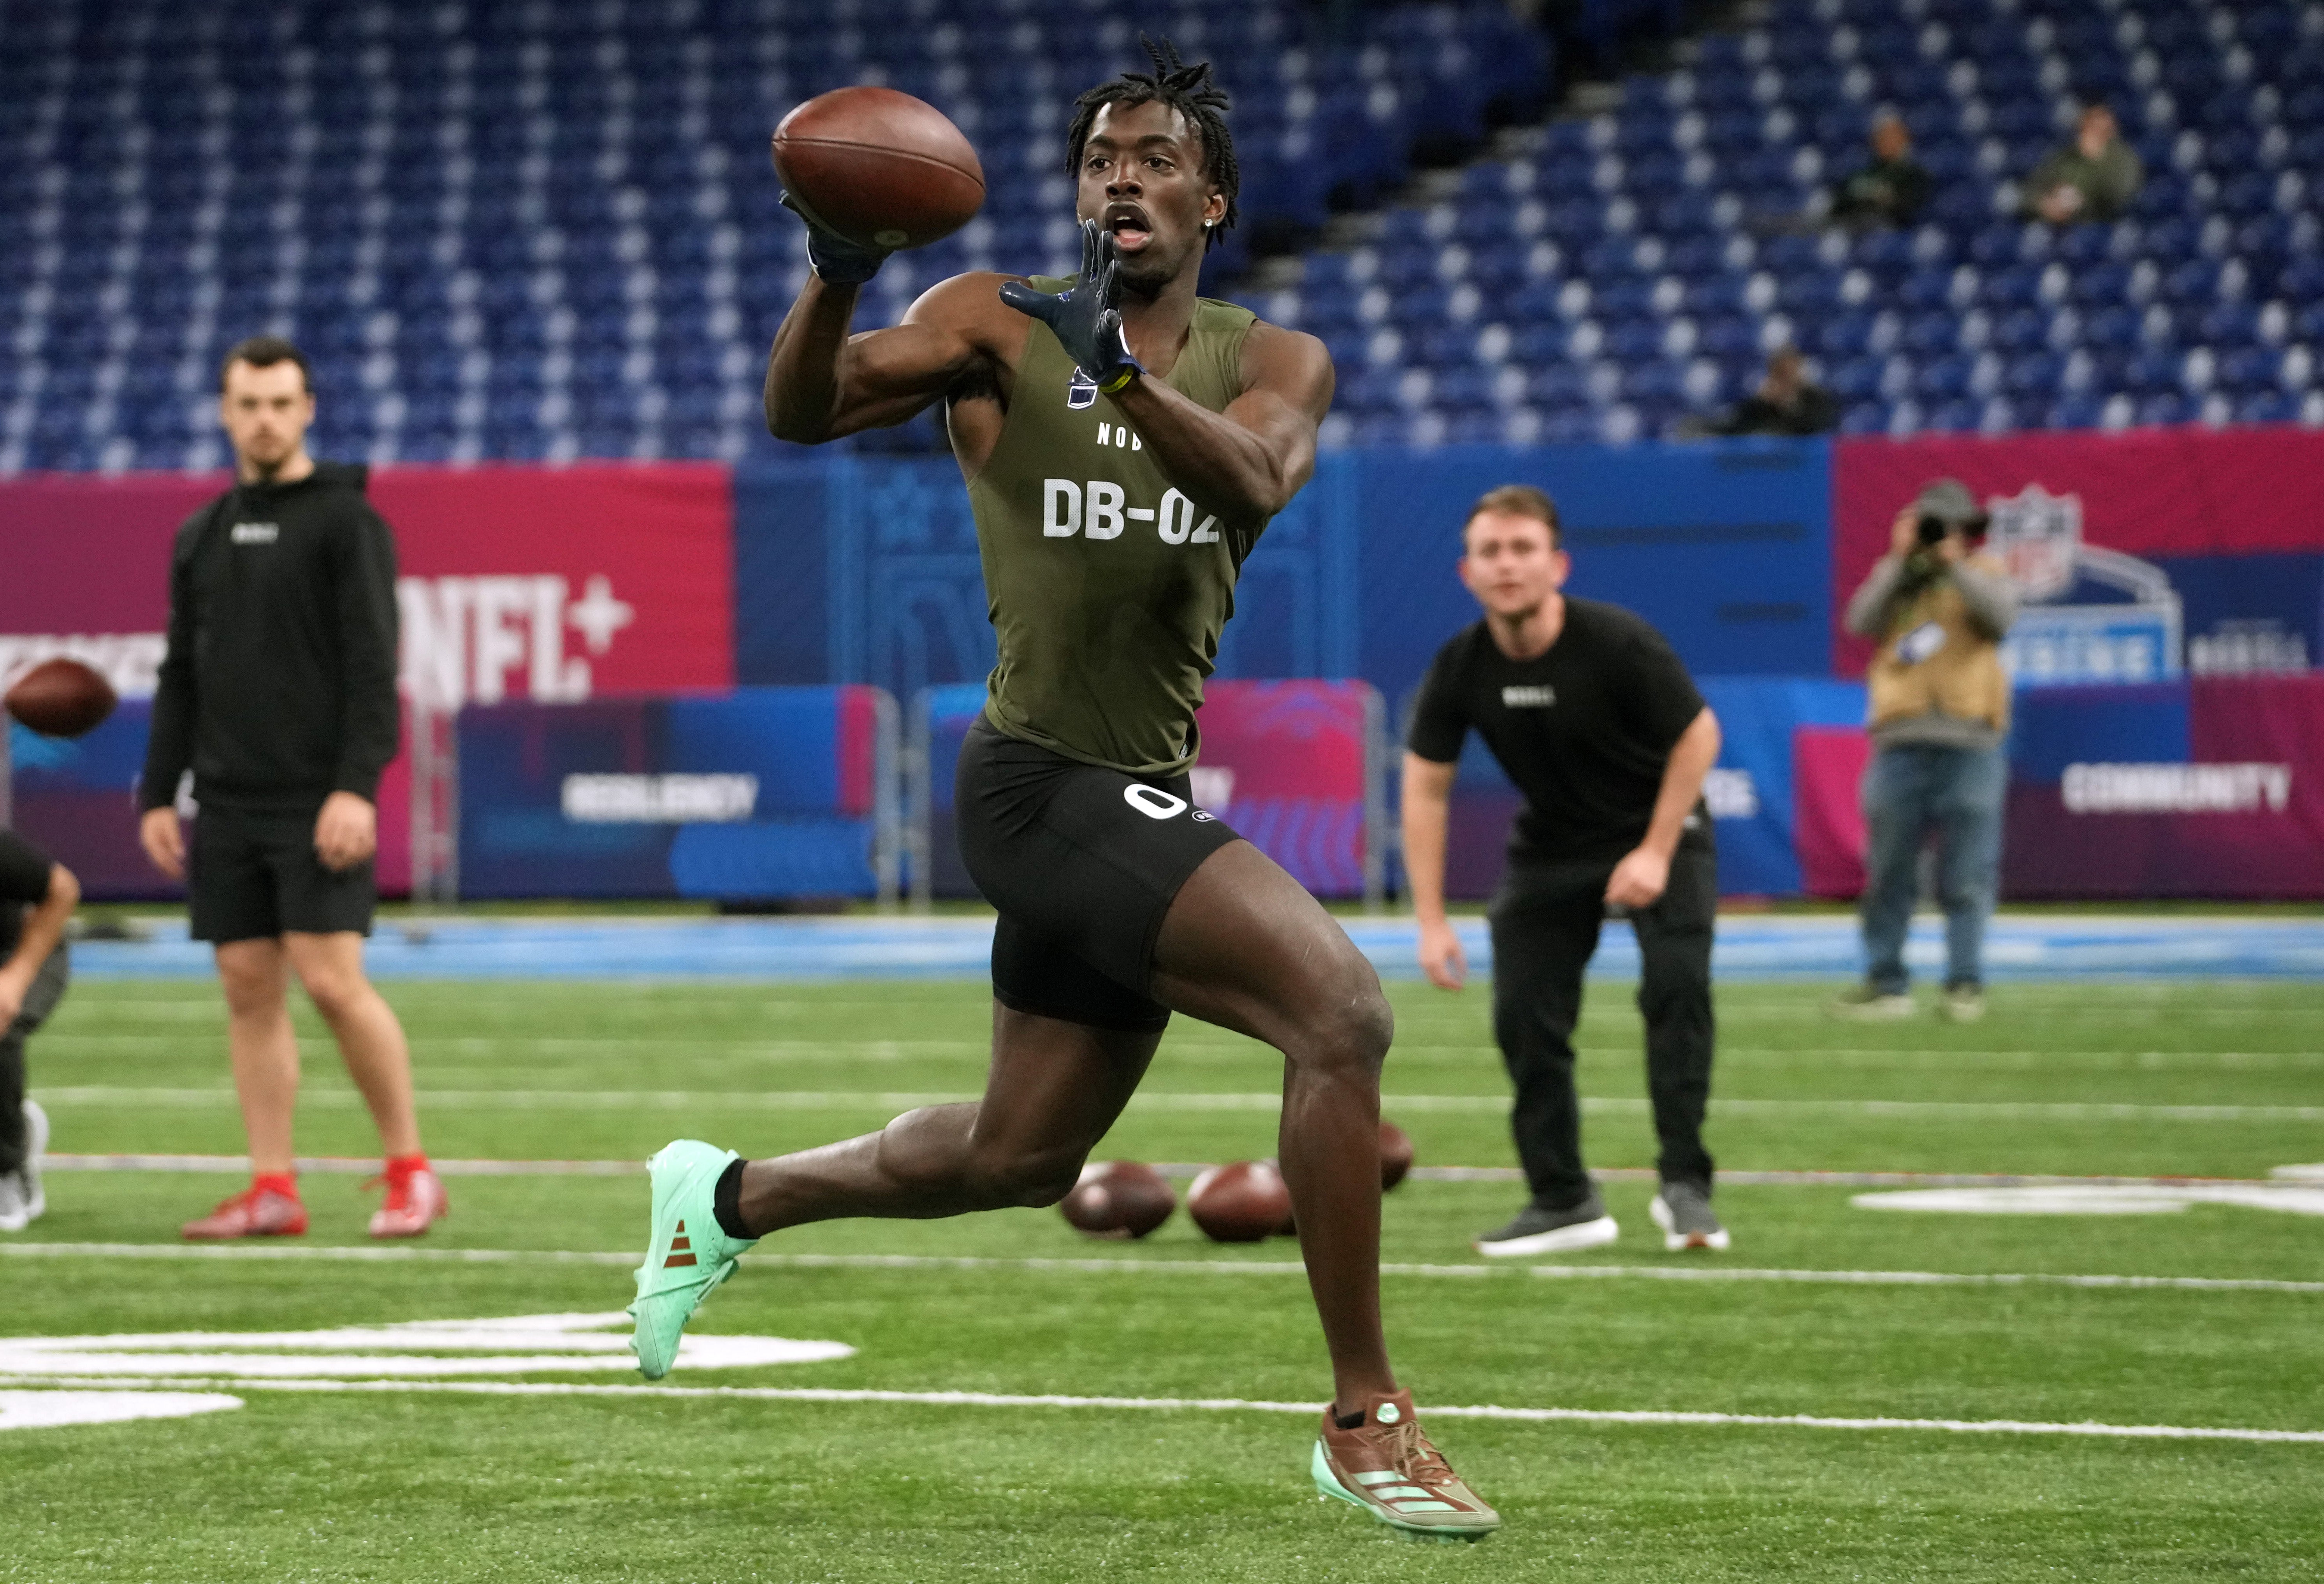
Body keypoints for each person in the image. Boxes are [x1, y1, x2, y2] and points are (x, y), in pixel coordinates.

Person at [628, 39, 1498, 1541]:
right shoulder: (992, 322)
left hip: (1135, 783)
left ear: (1211, 197)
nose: (1124, 178)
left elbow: (1249, 477)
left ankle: (729, 1194)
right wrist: (837, 265)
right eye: (1103, 158)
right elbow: (805, 407)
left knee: (1018, 1155)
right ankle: (1367, 1415)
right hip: (1038, 783)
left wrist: (1107, 368)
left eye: (1156, 157)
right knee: (1342, 1014)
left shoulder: (1273, 356)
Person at [138, 336, 443, 1240]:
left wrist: (356, 787)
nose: (264, 419)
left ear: (307, 410)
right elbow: (179, 674)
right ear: (226, 413)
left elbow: (371, 665)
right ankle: (273, 1185)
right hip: (227, 800)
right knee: (244, 983)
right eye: (248, 404)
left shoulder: (348, 522)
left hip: (317, 797)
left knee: (333, 981)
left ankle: (411, 1169)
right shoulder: (201, 533)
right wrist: (160, 790)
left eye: (280, 403)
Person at [1402, 487, 1728, 1259]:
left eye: (1522, 549)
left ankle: (1685, 1185)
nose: (1507, 565)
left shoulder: (1617, 642)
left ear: (1556, 564)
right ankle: (1562, 1198)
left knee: (1675, 990)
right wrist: (1429, 918)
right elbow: (1424, 786)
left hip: (1660, 829)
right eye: (1491, 551)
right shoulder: (1460, 664)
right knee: (1523, 1014)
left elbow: (1698, 736)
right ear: (1466, 571)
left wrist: (1651, 852)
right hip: (1552, 844)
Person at [1833, 479, 2017, 1022]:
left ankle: (1964, 985)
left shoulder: (1984, 574)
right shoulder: (1894, 580)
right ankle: (1886, 982)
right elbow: (1860, 622)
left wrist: (1952, 563)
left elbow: (2000, 620)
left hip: (1970, 740)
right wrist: (1899, 562)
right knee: (1888, 870)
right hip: (1900, 742)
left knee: (1967, 873)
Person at [0, 828, 77, 1232]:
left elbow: (63, 888)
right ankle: (11, 1128)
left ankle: (0, 1171)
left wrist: (16, 976)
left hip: (20, 953)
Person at [2021, 104, 2142, 225]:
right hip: (2060, 226)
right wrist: (2045, 206)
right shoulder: (2064, 156)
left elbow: (2121, 195)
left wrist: (2096, 159)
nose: (2088, 133)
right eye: (2086, 127)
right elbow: (2032, 189)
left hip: (2103, 225)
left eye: (2097, 128)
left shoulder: (2124, 159)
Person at [1699, 346, 1841, 437]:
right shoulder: (1761, 403)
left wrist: (1787, 405)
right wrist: (1761, 403)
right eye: (1781, 373)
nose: (1788, 378)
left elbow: (1816, 427)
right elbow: (1738, 429)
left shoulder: (1816, 398)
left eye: (1792, 371)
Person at [1829, 111, 1933, 229]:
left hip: (1893, 230)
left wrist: (1887, 198)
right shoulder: (1864, 173)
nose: (1888, 142)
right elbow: (1840, 201)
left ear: (1905, 139)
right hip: (1854, 226)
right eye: (1882, 137)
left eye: (1893, 137)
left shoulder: (1915, 175)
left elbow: (1914, 208)